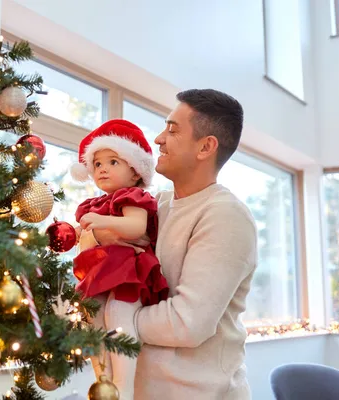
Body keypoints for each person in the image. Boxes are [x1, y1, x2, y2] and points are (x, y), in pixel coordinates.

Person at [93, 89, 258, 399]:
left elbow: (187, 323)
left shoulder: (225, 215)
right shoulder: (153, 206)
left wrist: (113, 319)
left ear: (206, 147)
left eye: (172, 129)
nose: (158, 139)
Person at [69, 119, 169, 400]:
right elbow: (86, 238)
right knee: (92, 317)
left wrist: (99, 221)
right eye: (97, 163)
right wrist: (74, 233)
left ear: (136, 171)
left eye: (113, 161)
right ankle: (103, 383)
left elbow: (136, 228)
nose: (102, 168)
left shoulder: (133, 196)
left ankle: (123, 389)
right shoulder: (93, 204)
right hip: (99, 271)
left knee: (119, 314)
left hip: (128, 271)